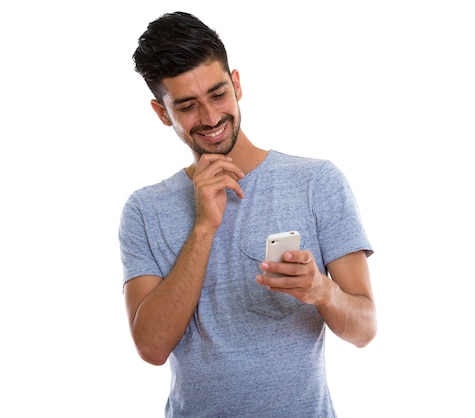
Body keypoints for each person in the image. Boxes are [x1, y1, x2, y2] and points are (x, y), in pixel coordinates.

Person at [119, 11, 376, 417]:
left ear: (237, 84)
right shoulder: (145, 209)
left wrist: (321, 292)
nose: (210, 117)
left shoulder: (316, 182)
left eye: (218, 94)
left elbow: (365, 328)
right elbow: (151, 347)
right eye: (187, 106)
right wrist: (204, 227)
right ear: (161, 112)